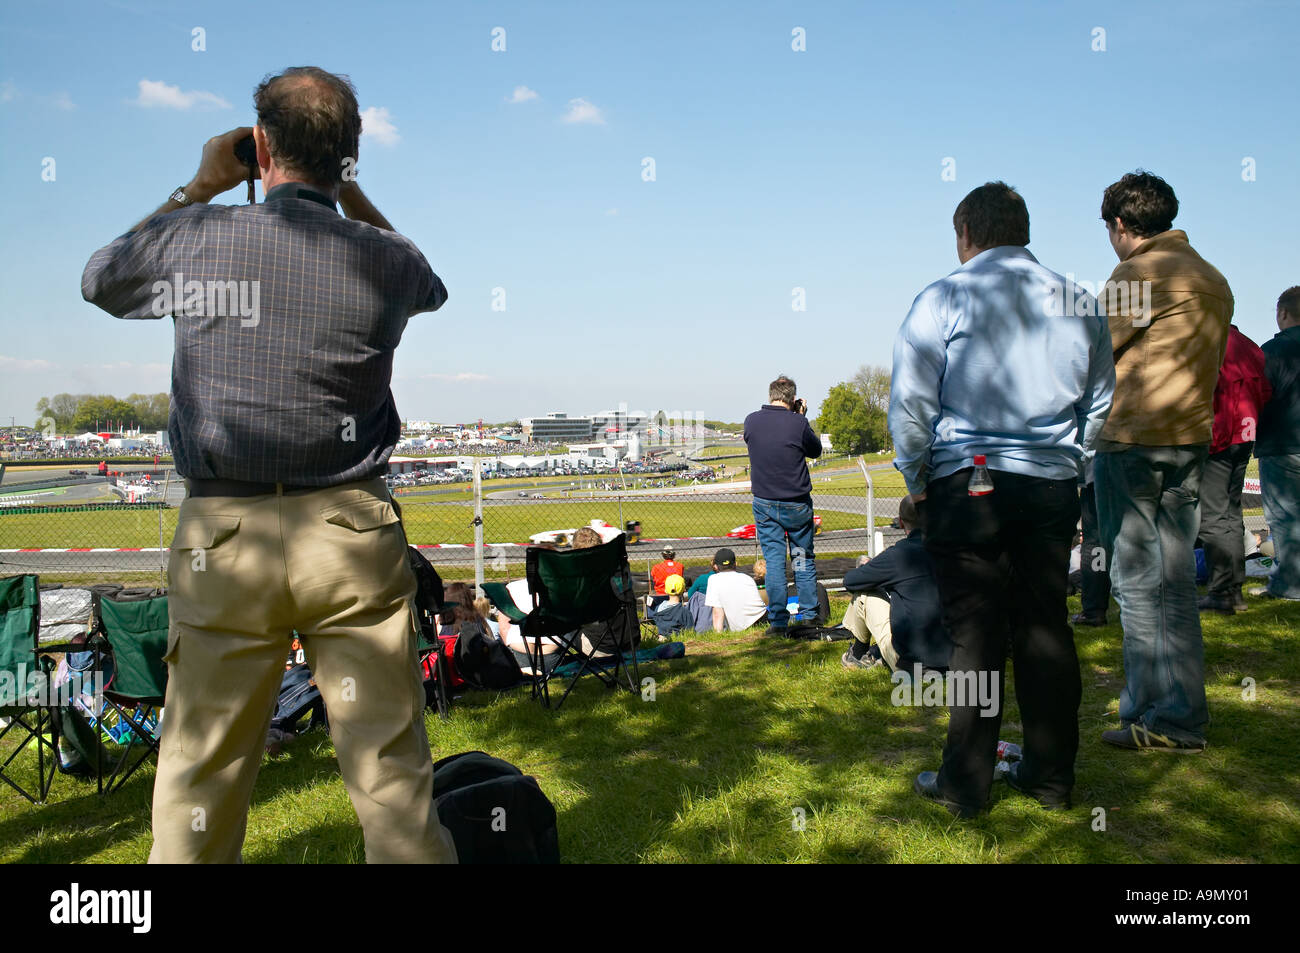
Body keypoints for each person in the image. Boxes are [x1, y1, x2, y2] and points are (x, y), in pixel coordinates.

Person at [81, 67, 454, 863]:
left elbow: (101, 280)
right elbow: (430, 281)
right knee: (392, 780)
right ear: (349, 155)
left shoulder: (198, 238)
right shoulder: (381, 261)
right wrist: (351, 194)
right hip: (350, 529)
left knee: (199, 781)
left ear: (260, 145)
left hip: (226, 535)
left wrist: (200, 185)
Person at [889, 181, 1114, 817]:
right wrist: (1072, 456)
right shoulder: (1080, 300)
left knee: (975, 638)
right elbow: (1099, 399)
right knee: (1044, 625)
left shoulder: (944, 296)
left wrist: (916, 480)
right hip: (1047, 483)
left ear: (966, 235)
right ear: (1024, 231)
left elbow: (911, 404)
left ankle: (967, 783)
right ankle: (1049, 777)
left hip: (969, 481)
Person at [1093, 171, 1233, 754]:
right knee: (1175, 583)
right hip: (1189, 441)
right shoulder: (1212, 279)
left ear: (1121, 225)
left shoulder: (1138, 274)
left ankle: (1149, 711)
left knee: (1134, 582)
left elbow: (1090, 349)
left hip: (1133, 442)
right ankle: (1184, 714)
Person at [1198, 325, 1271, 614]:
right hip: (1244, 435)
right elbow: (1264, 390)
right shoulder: (1247, 344)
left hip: (1220, 436)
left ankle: (1223, 590)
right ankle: (1232, 588)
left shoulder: (1208, 341)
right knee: (1230, 512)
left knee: (1215, 516)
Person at [743, 376, 824, 634]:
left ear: (771, 395)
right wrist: (801, 416)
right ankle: (810, 614)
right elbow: (815, 450)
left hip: (766, 502)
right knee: (801, 558)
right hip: (797, 503)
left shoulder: (751, 421)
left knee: (775, 562)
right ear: (792, 398)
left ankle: (778, 621)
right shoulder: (797, 422)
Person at [840, 496, 951, 673]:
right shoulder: (953, 551)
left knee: (863, 595)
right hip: (957, 657)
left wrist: (870, 567)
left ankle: (859, 652)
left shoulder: (898, 555)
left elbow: (851, 581)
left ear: (900, 522)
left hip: (913, 664)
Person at [1250, 286, 1300, 601]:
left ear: (1282, 313)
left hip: (1283, 444)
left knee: (1286, 519)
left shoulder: (1272, 351)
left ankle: (1289, 584)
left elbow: (1257, 396)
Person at [703, 548, 770, 632]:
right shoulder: (746, 578)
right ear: (735, 564)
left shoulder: (713, 580)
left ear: (715, 566)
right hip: (764, 618)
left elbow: (717, 612)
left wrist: (718, 636)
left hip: (746, 627)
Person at [653, 574, 694, 638]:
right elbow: (691, 633)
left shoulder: (658, 609)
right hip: (679, 642)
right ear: (684, 590)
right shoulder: (684, 612)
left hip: (661, 642)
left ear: (666, 590)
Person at [649, 546, 685, 610]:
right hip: (676, 594)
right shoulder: (680, 566)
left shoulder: (656, 567)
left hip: (660, 594)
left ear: (663, 555)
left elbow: (653, 579)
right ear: (673, 555)